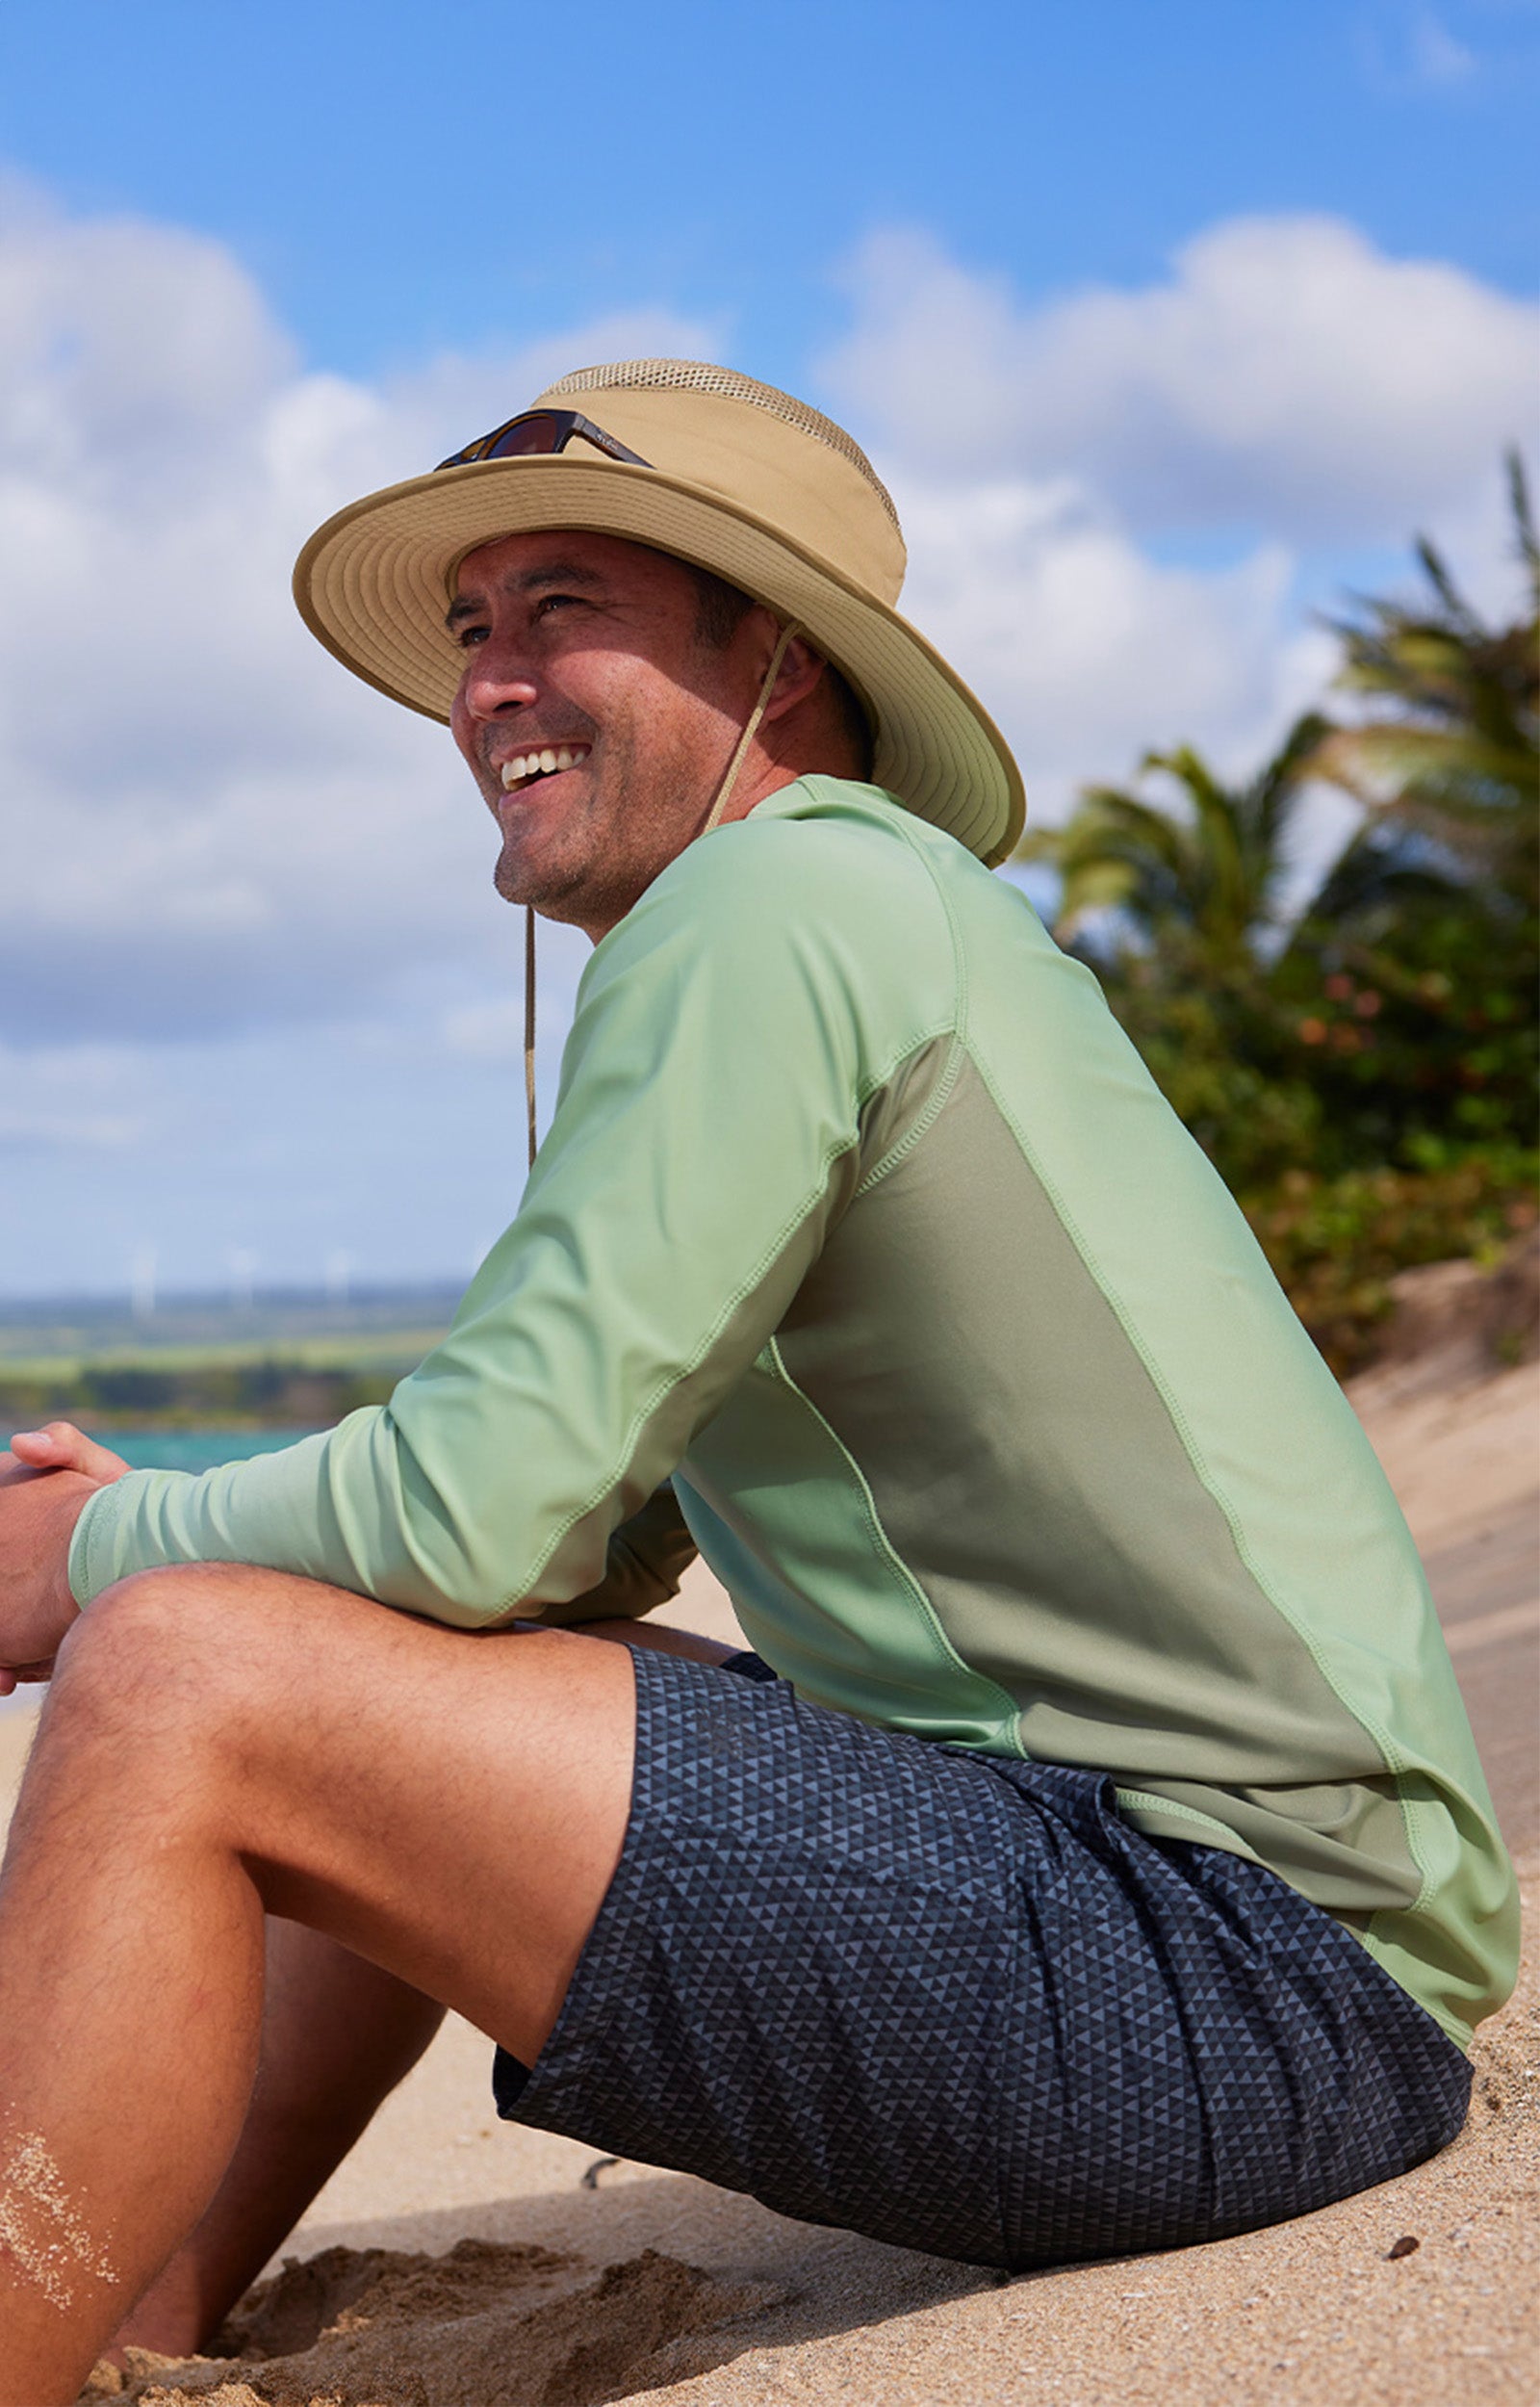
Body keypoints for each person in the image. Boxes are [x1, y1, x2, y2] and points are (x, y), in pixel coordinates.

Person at [0, 361, 1516, 2402]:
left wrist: (83, 1554)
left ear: (778, 653)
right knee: (304, 1645)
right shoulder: (855, 905)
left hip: (1238, 1980)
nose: (488, 686)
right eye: (471, 627)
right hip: (1253, 1965)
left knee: (183, 1667)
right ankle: (116, 2327)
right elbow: (557, 1539)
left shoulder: (775, 899)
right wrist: (166, 1529)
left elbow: (476, 1510)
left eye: (562, 609)